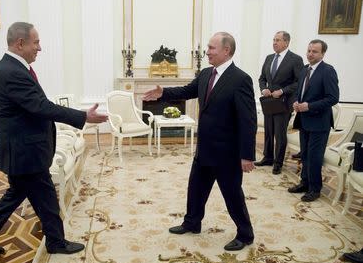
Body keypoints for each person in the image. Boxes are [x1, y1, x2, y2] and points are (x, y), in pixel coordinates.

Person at [0, 22, 108, 256]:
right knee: (46, 200)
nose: (39, 48)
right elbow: (40, 106)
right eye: (36, 42)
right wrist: (83, 116)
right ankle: (56, 242)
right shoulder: (12, 72)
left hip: (22, 149)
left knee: (17, 195)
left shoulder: (12, 67)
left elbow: (33, 106)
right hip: (25, 150)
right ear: (20, 43)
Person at [143, 32, 257, 251]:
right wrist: (162, 92)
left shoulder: (240, 79)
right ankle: (192, 222)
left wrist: (247, 154)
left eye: (212, 48)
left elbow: (248, 120)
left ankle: (245, 234)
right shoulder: (206, 74)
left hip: (227, 153)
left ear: (227, 51)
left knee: (232, 195)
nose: (207, 51)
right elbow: (187, 91)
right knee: (195, 188)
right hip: (204, 148)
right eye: (208, 47)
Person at [288, 39, 339, 202]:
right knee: (305, 155)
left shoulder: (328, 71)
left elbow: (333, 98)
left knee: (314, 156)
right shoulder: (304, 69)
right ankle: (304, 183)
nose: (310, 54)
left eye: (314, 51)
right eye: (309, 51)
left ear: (323, 53)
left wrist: (309, 106)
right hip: (304, 121)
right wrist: (296, 101)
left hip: (319, 123)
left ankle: (315, 189)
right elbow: (299, 91)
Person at [256, 31, 303, 174]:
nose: (274, 42)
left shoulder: (295, 59)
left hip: (284, 102)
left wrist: (282, 91)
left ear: (286, 42)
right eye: (273, 39)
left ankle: (278, 162)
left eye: (278, 40)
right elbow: (262, 78)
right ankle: (268, 157)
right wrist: (264, 89)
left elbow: (299, 82)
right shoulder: (269, 58)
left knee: (280, 134)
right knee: (268, 131)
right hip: (269, 102)